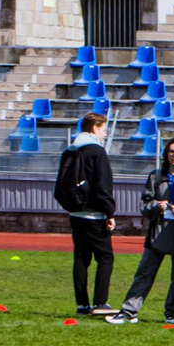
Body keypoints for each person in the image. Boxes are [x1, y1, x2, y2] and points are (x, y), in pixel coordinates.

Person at [108, 138, 174, 325]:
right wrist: (156, 206)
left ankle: (173, 314)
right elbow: (144, 205)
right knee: (145, 272)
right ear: (166, 154)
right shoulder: (156, 176)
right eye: (171, 152)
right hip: (158, 233)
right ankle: (129, 312)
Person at [53, 112, 117, 315]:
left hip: (75, 213)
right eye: (103, 129)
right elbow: (103, 185)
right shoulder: (97, 152)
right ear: (95, 128)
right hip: (94, 214)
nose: (105, 134)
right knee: (105, 257)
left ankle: (82, 304)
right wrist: (109, 212)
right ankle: (100, 303)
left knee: (81, 258)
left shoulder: (70, 151)